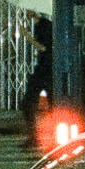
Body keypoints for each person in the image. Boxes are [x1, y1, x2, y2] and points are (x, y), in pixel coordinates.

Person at [20, 18, 53, 147]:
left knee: (29, 102)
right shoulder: (41, 24)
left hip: (46, 69)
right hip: (45, 68)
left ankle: (34, 137)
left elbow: (44, 47)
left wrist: (27, 36)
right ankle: (33, 137)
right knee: (32, 102)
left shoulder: (44, 24)